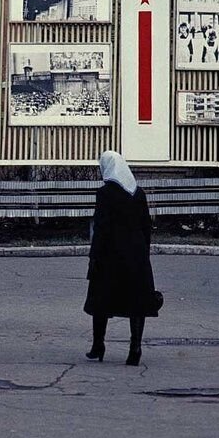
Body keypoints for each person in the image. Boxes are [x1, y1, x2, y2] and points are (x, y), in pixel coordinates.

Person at [84, 150, 158, 367]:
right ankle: (135, 348)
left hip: (110, 255)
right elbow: (146, 227)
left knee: (101, 300)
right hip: (136, 256)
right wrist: (144, 254)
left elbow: (101, 227)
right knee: (137, 302)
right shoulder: (139, 193)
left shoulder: (105, 193)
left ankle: (98, 345)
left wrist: (94, 256)